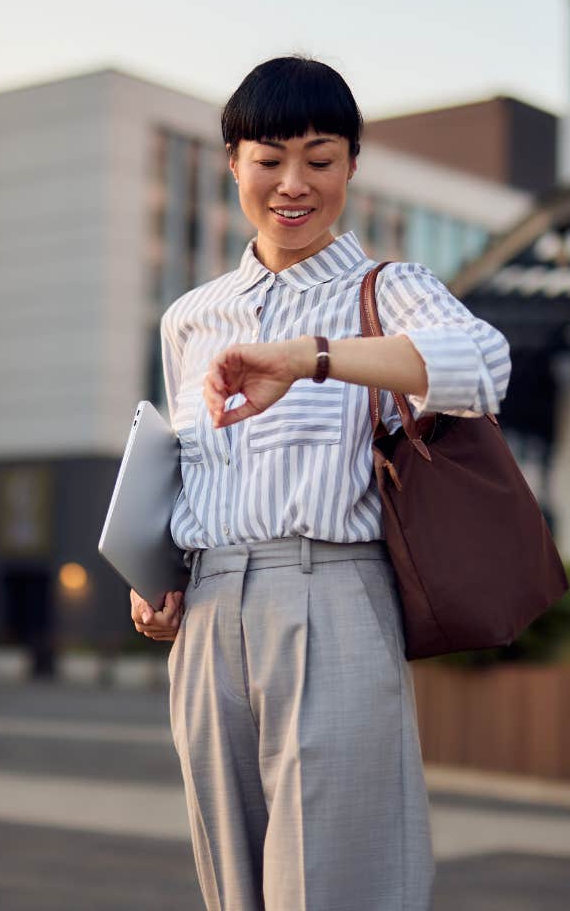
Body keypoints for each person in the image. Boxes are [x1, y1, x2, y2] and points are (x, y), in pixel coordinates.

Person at [130, 56, 511, 911]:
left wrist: (311, 359)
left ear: (350, 166)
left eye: (321, 158)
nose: (293, 184)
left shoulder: (389, 289)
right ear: (233, 164)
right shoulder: (190, 317)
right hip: (209, 612)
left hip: (330, 593)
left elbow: (483, 367)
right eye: (269, 159)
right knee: (233, 885)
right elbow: (186, 466)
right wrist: (157, 581)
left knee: (340, 884)